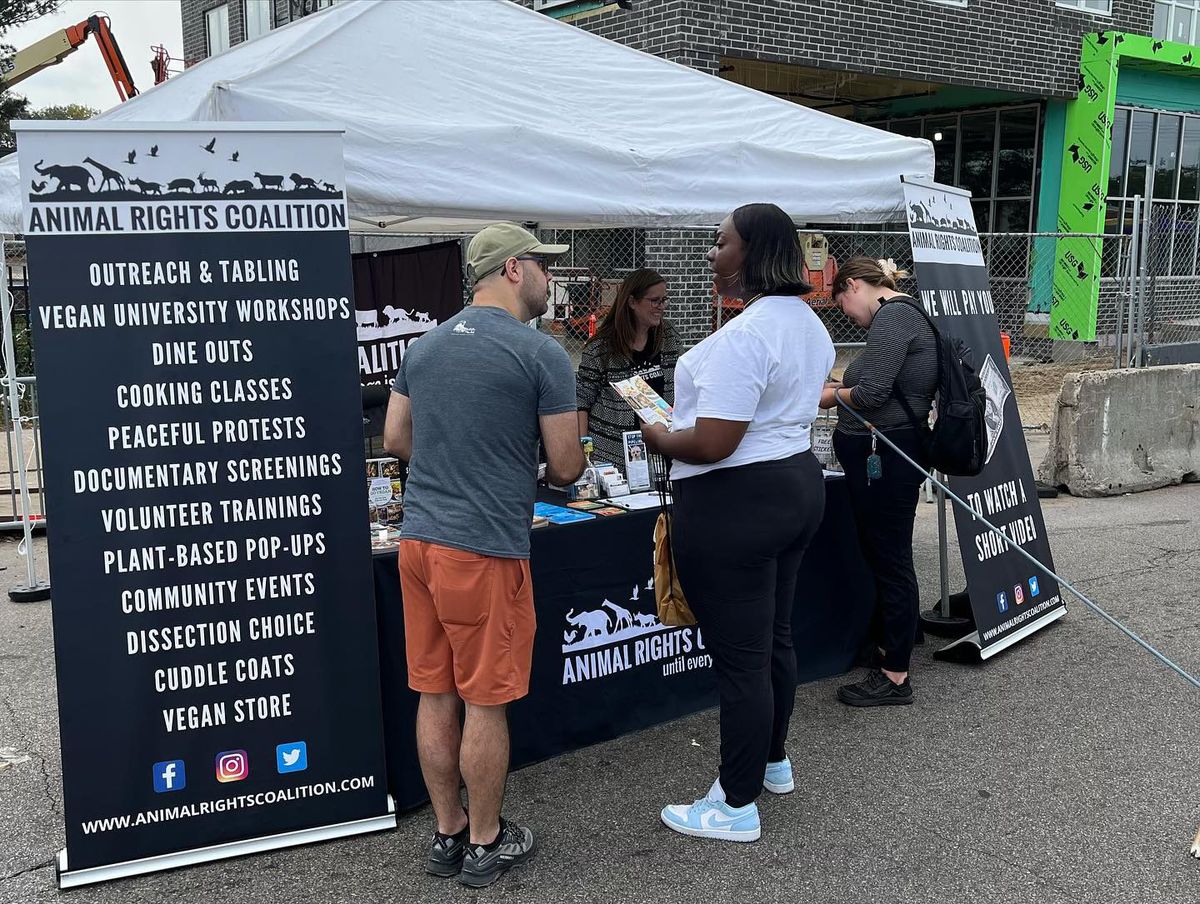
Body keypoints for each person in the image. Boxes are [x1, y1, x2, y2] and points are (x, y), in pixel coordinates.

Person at [383, 223, 585, 887]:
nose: (550, 279)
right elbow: (564, 466)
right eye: (544, 268)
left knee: (435, 693)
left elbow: (395, 437)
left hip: (420, 541)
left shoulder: (426, 345)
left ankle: (448, 833)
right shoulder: (541, 354)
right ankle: (485, 841)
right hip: (484, 548)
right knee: (486, 702)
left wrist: (453, 463)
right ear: (514, 270)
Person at [640, 203, 834, 842]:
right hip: (794, 486)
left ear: (749, 251)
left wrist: (659, 433)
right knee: (773, 638)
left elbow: (716, 441)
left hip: (736, 504)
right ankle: (772, 761)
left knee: (743, 661)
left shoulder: (742, 337)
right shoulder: (805, 323)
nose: (711, 254)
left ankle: (735, 801)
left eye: (720, 243)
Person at [818, 256, 938, 707]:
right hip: (885, 450)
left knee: (889, 555)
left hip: (888, 453)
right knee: (885, 551)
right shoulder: (901, 317)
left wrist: (830, 395)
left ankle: (895, 674)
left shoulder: (894, 317)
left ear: (854, 285)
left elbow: (870, 394)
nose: (848, 315)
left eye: (843, 303)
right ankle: (898, 638)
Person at [576, 268, 680, 470]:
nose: (661, 307)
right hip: (611, 458)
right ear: (632, 302)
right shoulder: (600, 350)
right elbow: (581, 403)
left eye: (664, 300)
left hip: (661, 452)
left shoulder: (670, 339)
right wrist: (584, 455)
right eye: (654, 301)